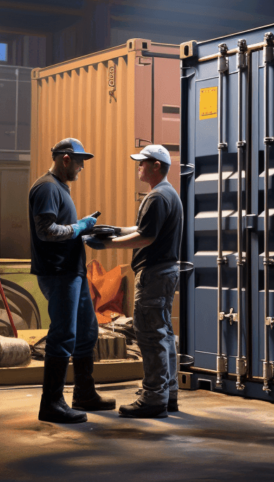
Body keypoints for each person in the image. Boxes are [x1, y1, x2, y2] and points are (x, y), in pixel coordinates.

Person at [84, 144, 183, 419]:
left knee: (149, 336)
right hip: (165, 273)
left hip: (153, 275)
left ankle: (153, 398)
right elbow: (142, 230)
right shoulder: (166, 194)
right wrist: (114, 230)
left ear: (156, 166)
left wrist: (108, 245)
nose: (138, 166)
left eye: (142, 162)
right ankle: (168, 394)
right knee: (162, 333)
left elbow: (146, 238)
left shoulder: (156, 198)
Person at [29, 138, 115, 424]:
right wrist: (78, 227)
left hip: (72, 271)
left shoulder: (60, 188)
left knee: (86, 333)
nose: (81, 168)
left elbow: (61, 230)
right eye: (79, 162)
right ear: (65, 159)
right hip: (58, 273)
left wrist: (85, 233)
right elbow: (46, 231)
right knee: (64, 334)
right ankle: (51, 403)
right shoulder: (46, 188)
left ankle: (84, 393)